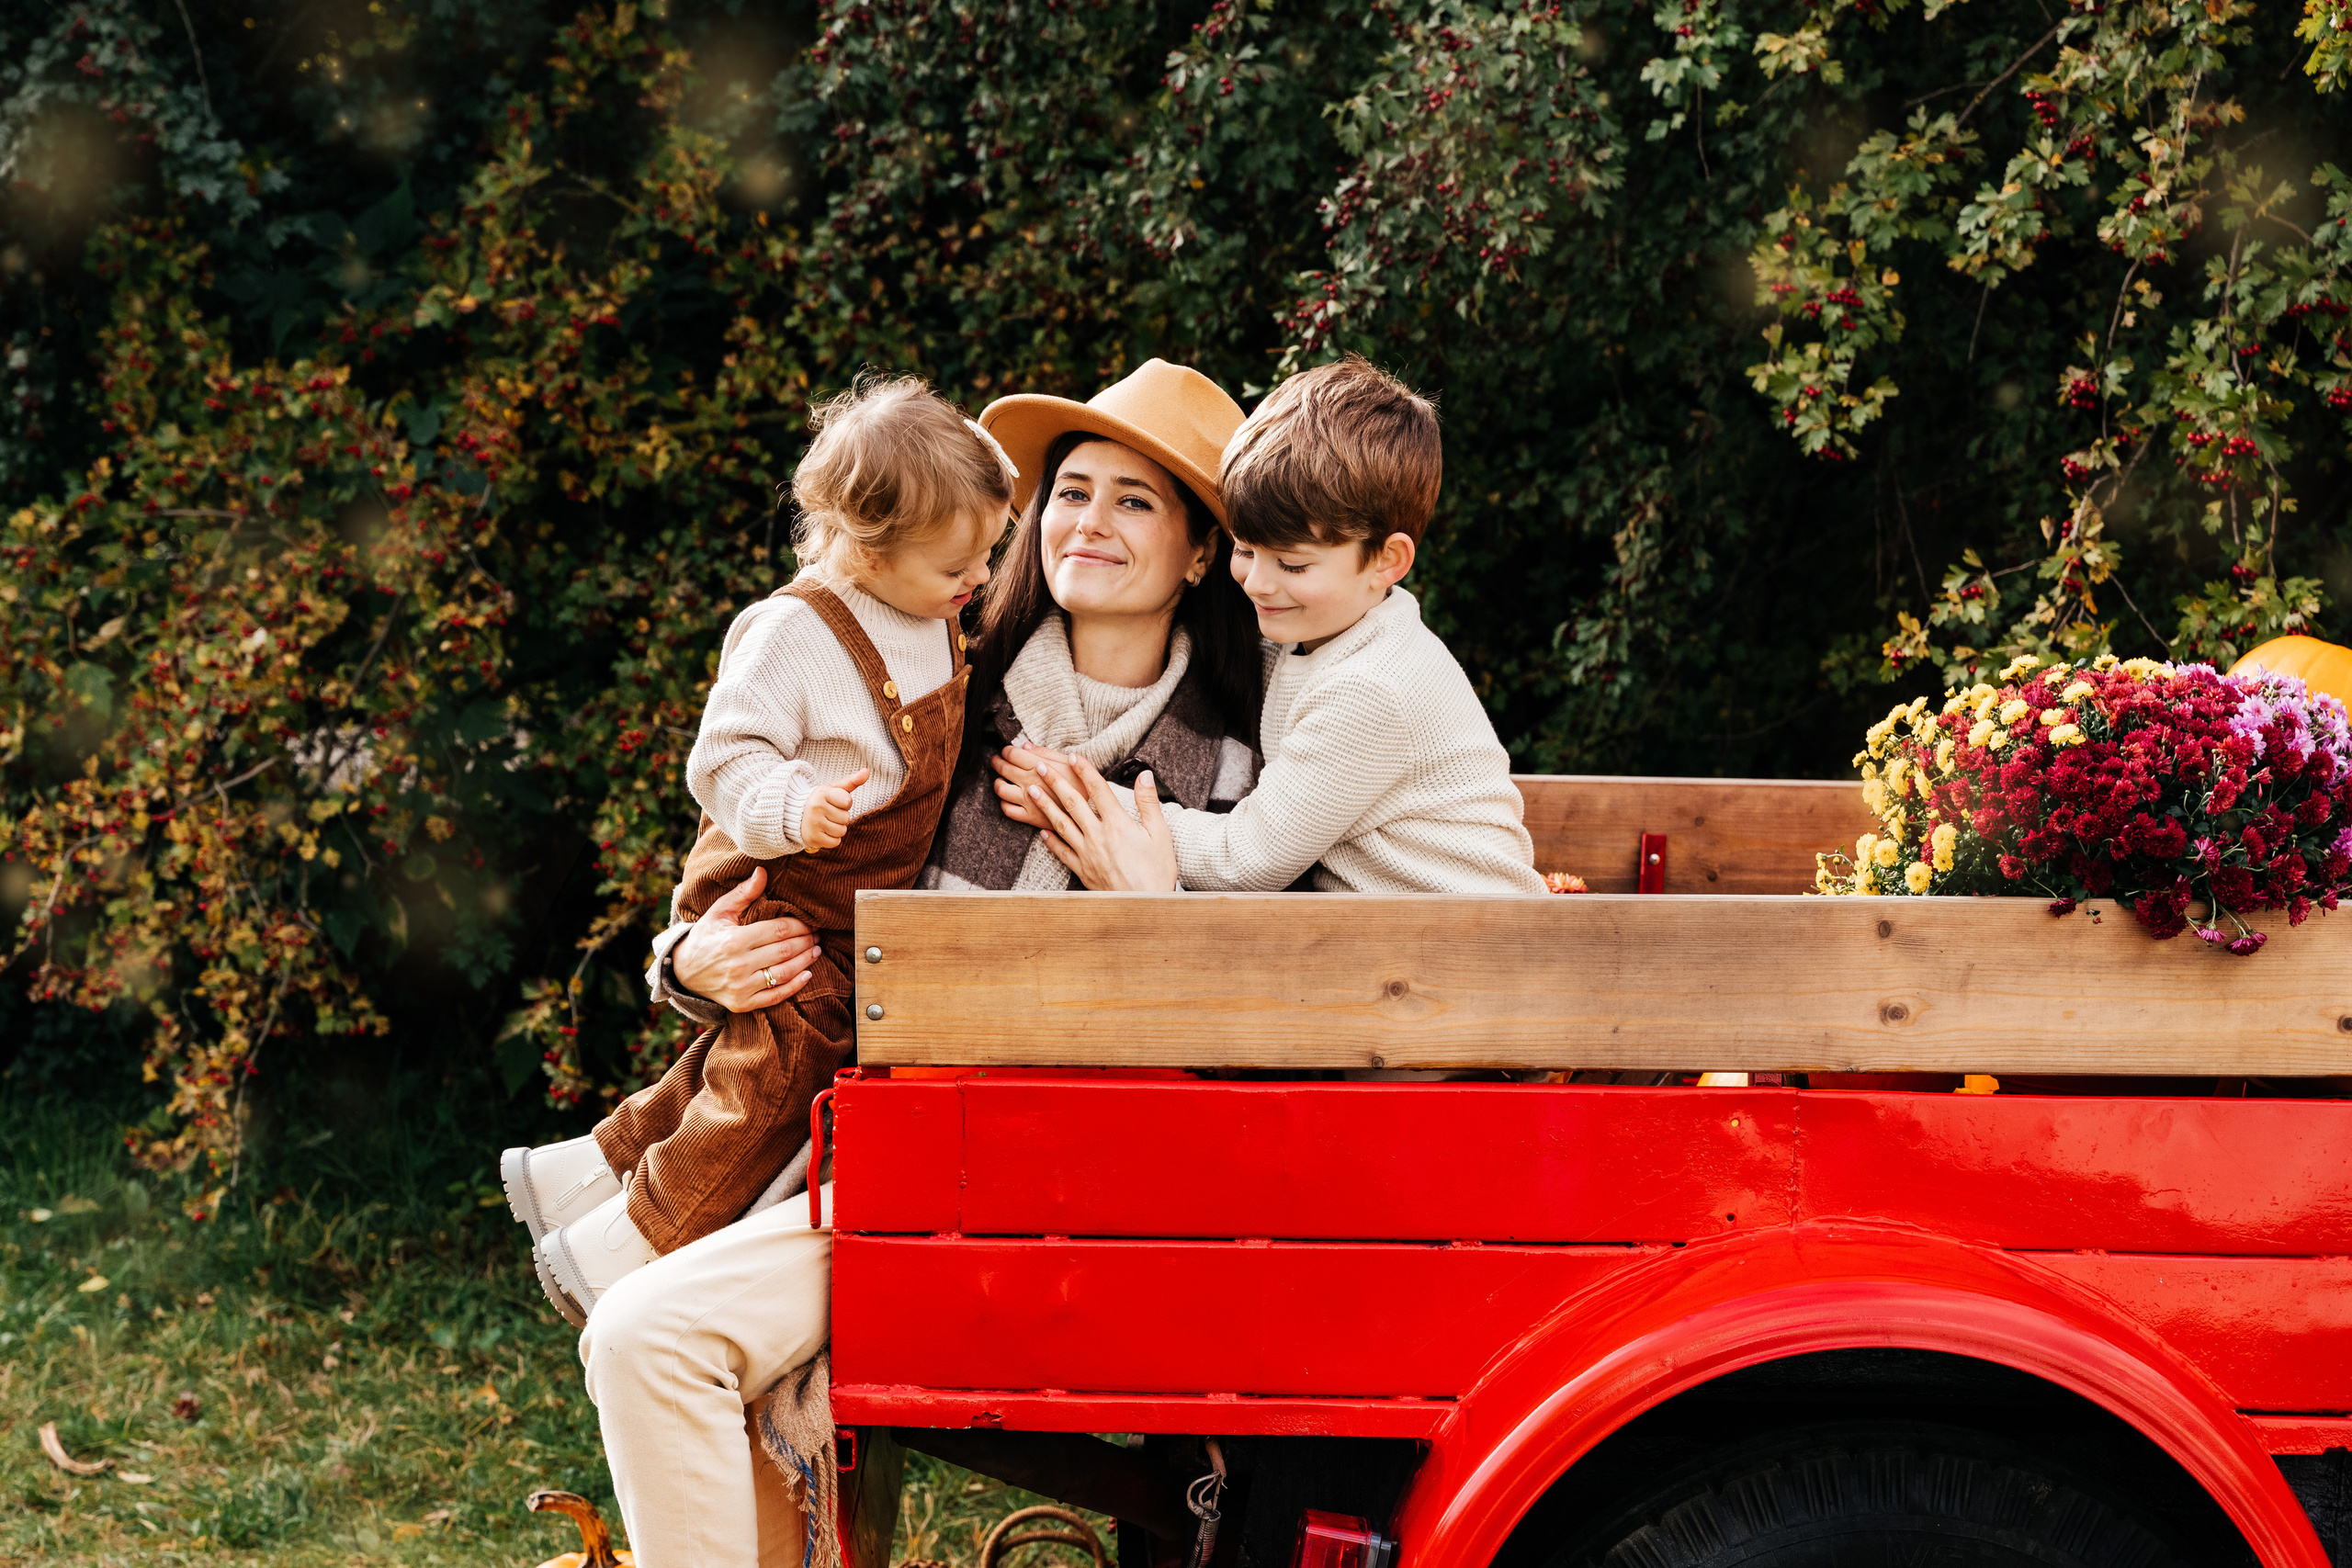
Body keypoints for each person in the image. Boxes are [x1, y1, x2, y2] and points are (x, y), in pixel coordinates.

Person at [570, 360, 1265, 1568]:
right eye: (1071, 490)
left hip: (1073, 1195)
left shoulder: (1231, 771)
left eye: (1137, 501)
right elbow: (742, 856)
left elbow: (1260, 1049)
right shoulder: (930, 687)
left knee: (648, 1332)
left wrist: (1151, 908)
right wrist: (697, 960)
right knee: (639, 1333)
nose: (1088, 519)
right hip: (890, 1157)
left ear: (1202, 554)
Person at [497, 373, 1012, 1334]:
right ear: (866, 547)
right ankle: (628, 1244)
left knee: (749, 1050)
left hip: (845, 883)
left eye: (986, 555)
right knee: (790, 1052)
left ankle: (585, 1171)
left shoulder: (929, 608)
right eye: (957, 568)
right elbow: (723, 758)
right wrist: (792, 808)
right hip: (777, 869)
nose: (975, 582)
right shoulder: (795, 631)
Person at [1001, 355, 1548, 898]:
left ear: (1387, 561)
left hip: (1470, 955)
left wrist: (1080, 795)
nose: (1258, 583)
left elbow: (1245, 861)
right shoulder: (1317, 635)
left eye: (1292, 565)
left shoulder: (1371, 688)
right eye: (1244, 550)